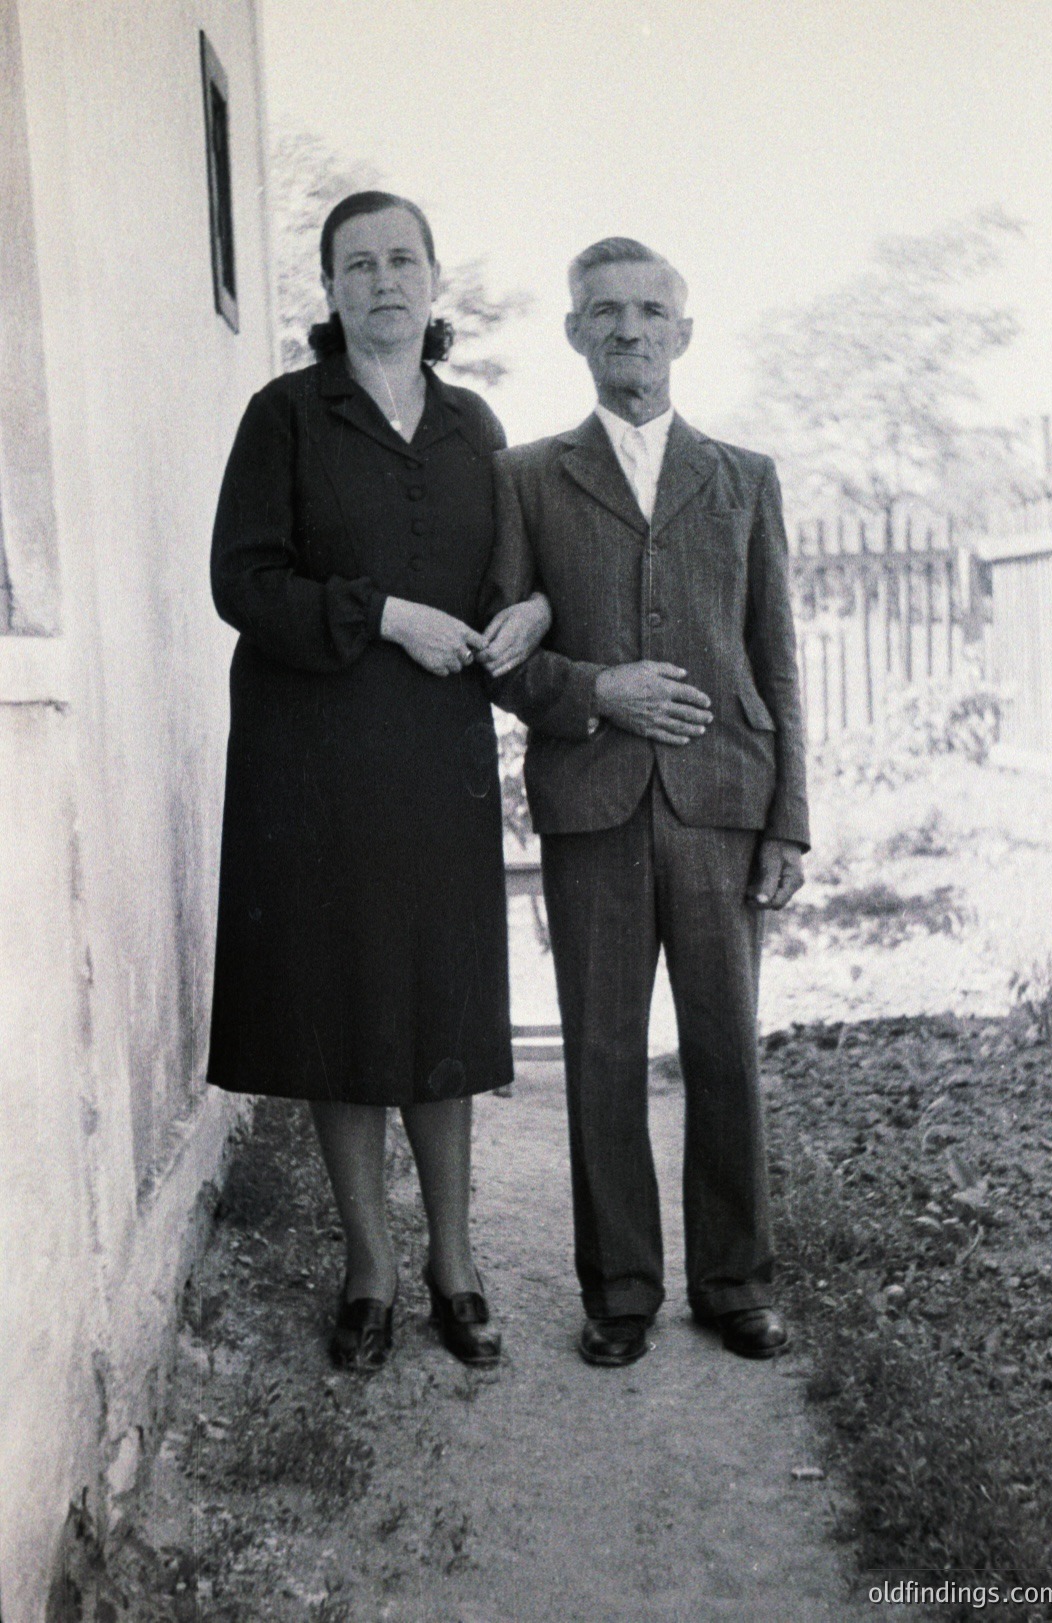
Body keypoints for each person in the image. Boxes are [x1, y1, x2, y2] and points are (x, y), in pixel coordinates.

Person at [207, 192, 550, 1372]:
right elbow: (240, 583)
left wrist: (530, 613)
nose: (384, 281)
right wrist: (384, 615)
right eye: (359, 265)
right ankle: (370, 1272)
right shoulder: (286, 417)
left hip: (437, 760)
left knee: (437, 1002)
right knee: (338, 1010)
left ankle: (455, 1265)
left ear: (436, 279)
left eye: (404, 258)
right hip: (311, 762)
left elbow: (514, 576)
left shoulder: (476, 427)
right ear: (333, 291)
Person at [488, 237, 809, 1367]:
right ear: (575, 333)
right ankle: (620, 1289)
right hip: (594, 807)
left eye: (650, 310)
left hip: (724, 803)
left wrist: (790, 822)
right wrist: (596, 691)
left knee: (726, 1048)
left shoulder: (746, 477)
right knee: (604, 1052)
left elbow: (777, 657)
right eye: (605, 312)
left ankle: (735, 1283)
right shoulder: (528, 476)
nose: (629, 330)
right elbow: (502, 658)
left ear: (684, 329)